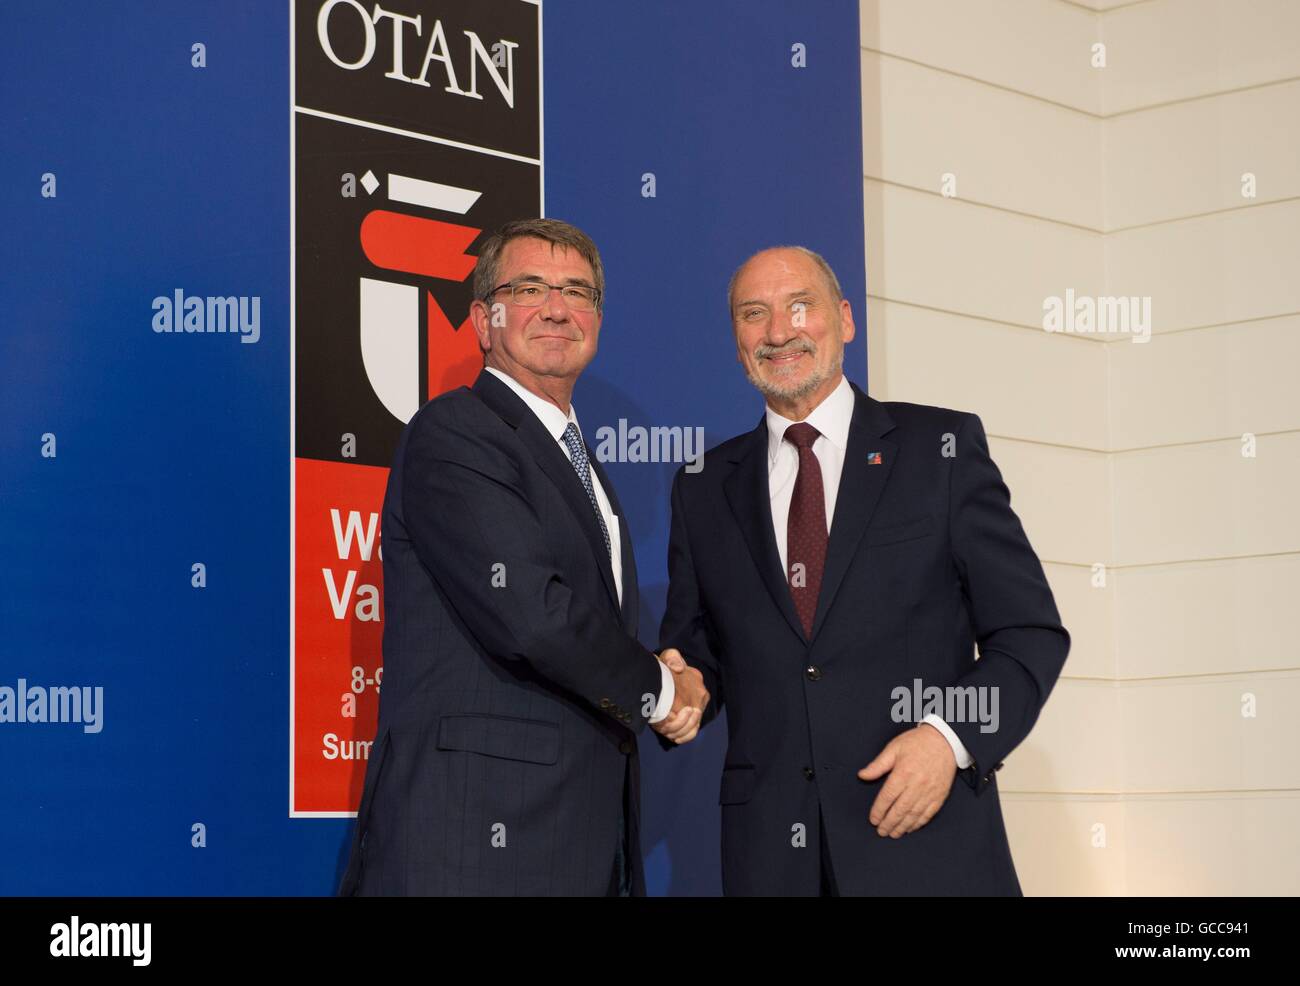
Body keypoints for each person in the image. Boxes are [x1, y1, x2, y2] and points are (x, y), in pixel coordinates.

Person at [658, 245, 1069, 895]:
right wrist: (684, 689)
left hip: (927, 844)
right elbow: (699, 648)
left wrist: (949, 738)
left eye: (800, 306)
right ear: (736, 340)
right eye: (753, 314)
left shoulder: (941, 453)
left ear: (845, 319)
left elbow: (1030, 636)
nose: (778, 331)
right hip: (771, 860)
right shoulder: (702, 487)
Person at [339, 218, 707, 896]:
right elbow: (533, 616)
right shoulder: (455, 433)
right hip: (475, 844)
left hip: (576, 843)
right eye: (530, 287)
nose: (558, 307)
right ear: (484, 320)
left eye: (579, 291)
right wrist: (659, 689)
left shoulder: (582, 464)